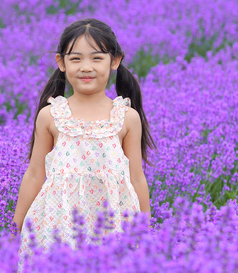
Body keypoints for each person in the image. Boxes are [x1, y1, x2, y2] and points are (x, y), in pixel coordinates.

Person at [12, 18, 156, 271]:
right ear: (61, 63)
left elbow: (137, 178)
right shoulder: (52, 115)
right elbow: (35, 173)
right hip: (58, 221)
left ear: (115, 61)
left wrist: (146, 228)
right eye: (76, 58)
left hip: (113, 221)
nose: (86, 67)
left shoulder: (125, 118)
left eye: (96, 58)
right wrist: (17, 224)